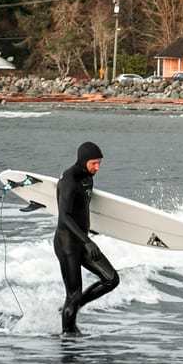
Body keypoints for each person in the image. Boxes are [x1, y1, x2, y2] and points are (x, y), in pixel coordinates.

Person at [54, 141, 119, 336]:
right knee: (72, 294)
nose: (97, 168)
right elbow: (64, 217)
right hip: (68, 244)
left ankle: (72, 307)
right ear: (83, 161)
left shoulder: (88, 178)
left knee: (111, 279)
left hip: (82, 240)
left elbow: (82, 209)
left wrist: (93, 230)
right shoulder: (69, 180)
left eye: (99, 163)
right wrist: (87, 241)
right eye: (93, 163)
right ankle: (68, 336)